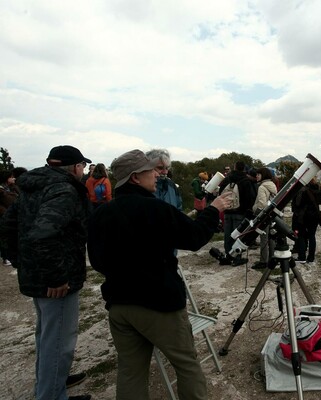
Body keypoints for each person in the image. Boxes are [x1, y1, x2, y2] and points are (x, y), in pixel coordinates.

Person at [87, 149, 232, 400]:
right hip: (158, 304)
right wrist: (214, 208)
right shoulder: (153, 208)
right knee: (187, 364)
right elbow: (195, 237)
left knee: (131, 371)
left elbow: (97, 262)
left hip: (120, 306)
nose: (156, 174)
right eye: (150, 171)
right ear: (135, 178)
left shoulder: (100, 214)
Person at [0, 145, 92, 400]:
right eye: (82, 167)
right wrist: (56, 277)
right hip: (56, 281)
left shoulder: (32, 188)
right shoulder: (64, 190)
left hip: (37, 275)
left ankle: (52, 387)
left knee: (47, 336)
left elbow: (7, 226)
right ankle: (51, 395)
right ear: (75, 167)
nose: (83, 171)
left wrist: (22, 262)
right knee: (58, 343)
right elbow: (45, 234)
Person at [218, 161, 257, 266]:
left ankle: (228, 256)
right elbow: (250, 197)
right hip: (240, 212)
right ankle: (236, 258)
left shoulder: (227, 179)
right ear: (244, 168)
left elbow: (220, 193)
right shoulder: (245, 181)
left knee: (227, 234)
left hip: (227, 210)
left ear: (234, 167)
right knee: (238, 235)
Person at [292, 176, 321, 264]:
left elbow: (298, 203)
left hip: (303, 215)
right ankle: (311, 258)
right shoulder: (319, 188)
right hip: (315, 215)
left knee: (301, 236)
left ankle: (302, 257)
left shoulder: (302, 189)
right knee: (312, 236)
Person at [250, 167, 278, 270]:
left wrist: (256, 211)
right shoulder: (272, 185)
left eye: (258, 174)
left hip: (263, 214)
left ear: (263, 175)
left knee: (263, 238)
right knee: (271, 237)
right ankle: (272, 258)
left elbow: (262, 203)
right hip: (271, 214)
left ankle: (263, 261)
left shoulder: (262, 187)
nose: (257, 176)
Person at [0, 170, 18, 265]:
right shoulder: (2, 190)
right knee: (4, 237)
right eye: (11, 177)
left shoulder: (12, 188)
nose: (13, 178)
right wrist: (6, 213)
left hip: (12, 216)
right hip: (4, 217)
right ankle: (5, 257)